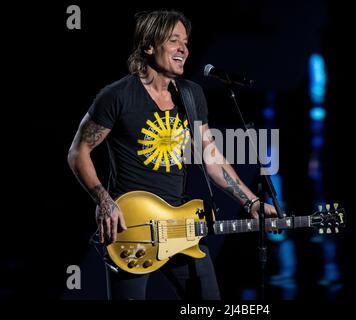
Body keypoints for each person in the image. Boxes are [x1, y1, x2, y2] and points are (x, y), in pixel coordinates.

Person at [67, 9, 276, 300]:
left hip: (181, 225)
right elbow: (78, 152)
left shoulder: (191, 95)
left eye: (186, 42)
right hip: (131, 226)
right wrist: (104, 202)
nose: (184, 49)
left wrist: (250, 201)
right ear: (149, 45)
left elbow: (211, 156)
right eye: (174, 40)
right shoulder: (117, 96)